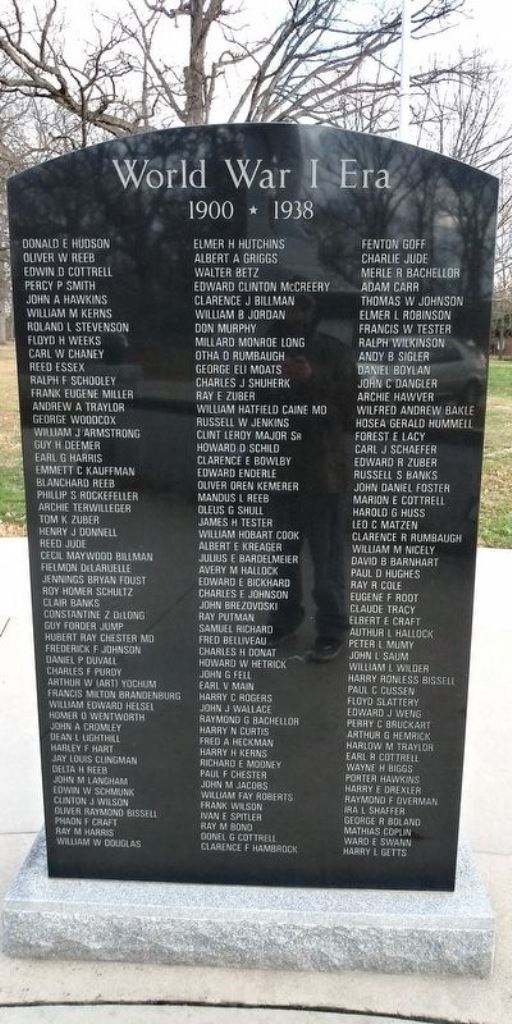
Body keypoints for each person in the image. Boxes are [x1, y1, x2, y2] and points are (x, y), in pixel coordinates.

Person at [268, 292, 354, 662]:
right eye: (287, 304)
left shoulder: (332, 352)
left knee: (327, 559)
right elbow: (247, 397)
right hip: (279, 468)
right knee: (282, 556)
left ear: (314, 310)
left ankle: (332, 627)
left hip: (323, 473)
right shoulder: (265, 347)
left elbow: (350, 408)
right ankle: (286, 616)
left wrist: (310, 379)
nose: (294, 313)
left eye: (303, 305)